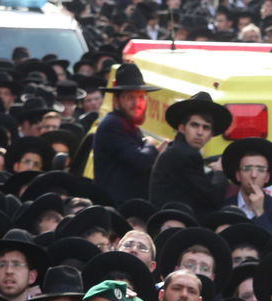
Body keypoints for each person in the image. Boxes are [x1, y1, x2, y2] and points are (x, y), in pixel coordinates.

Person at [148, 92, 230, 214]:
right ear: (182, 128)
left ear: (211, 134)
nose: (200, 132)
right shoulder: (186, 154)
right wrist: (219, 171)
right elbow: (213, 197)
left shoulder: (176, 148)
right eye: (194, 125)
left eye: (206, 128)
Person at [91, 63, 159, 206]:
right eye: (130, 97)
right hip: (118, 211)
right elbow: (140, 161)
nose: (137, 103)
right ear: (117, 100)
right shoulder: (113, 125)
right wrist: (151, 144)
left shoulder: (128, 125)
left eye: (141, 97)